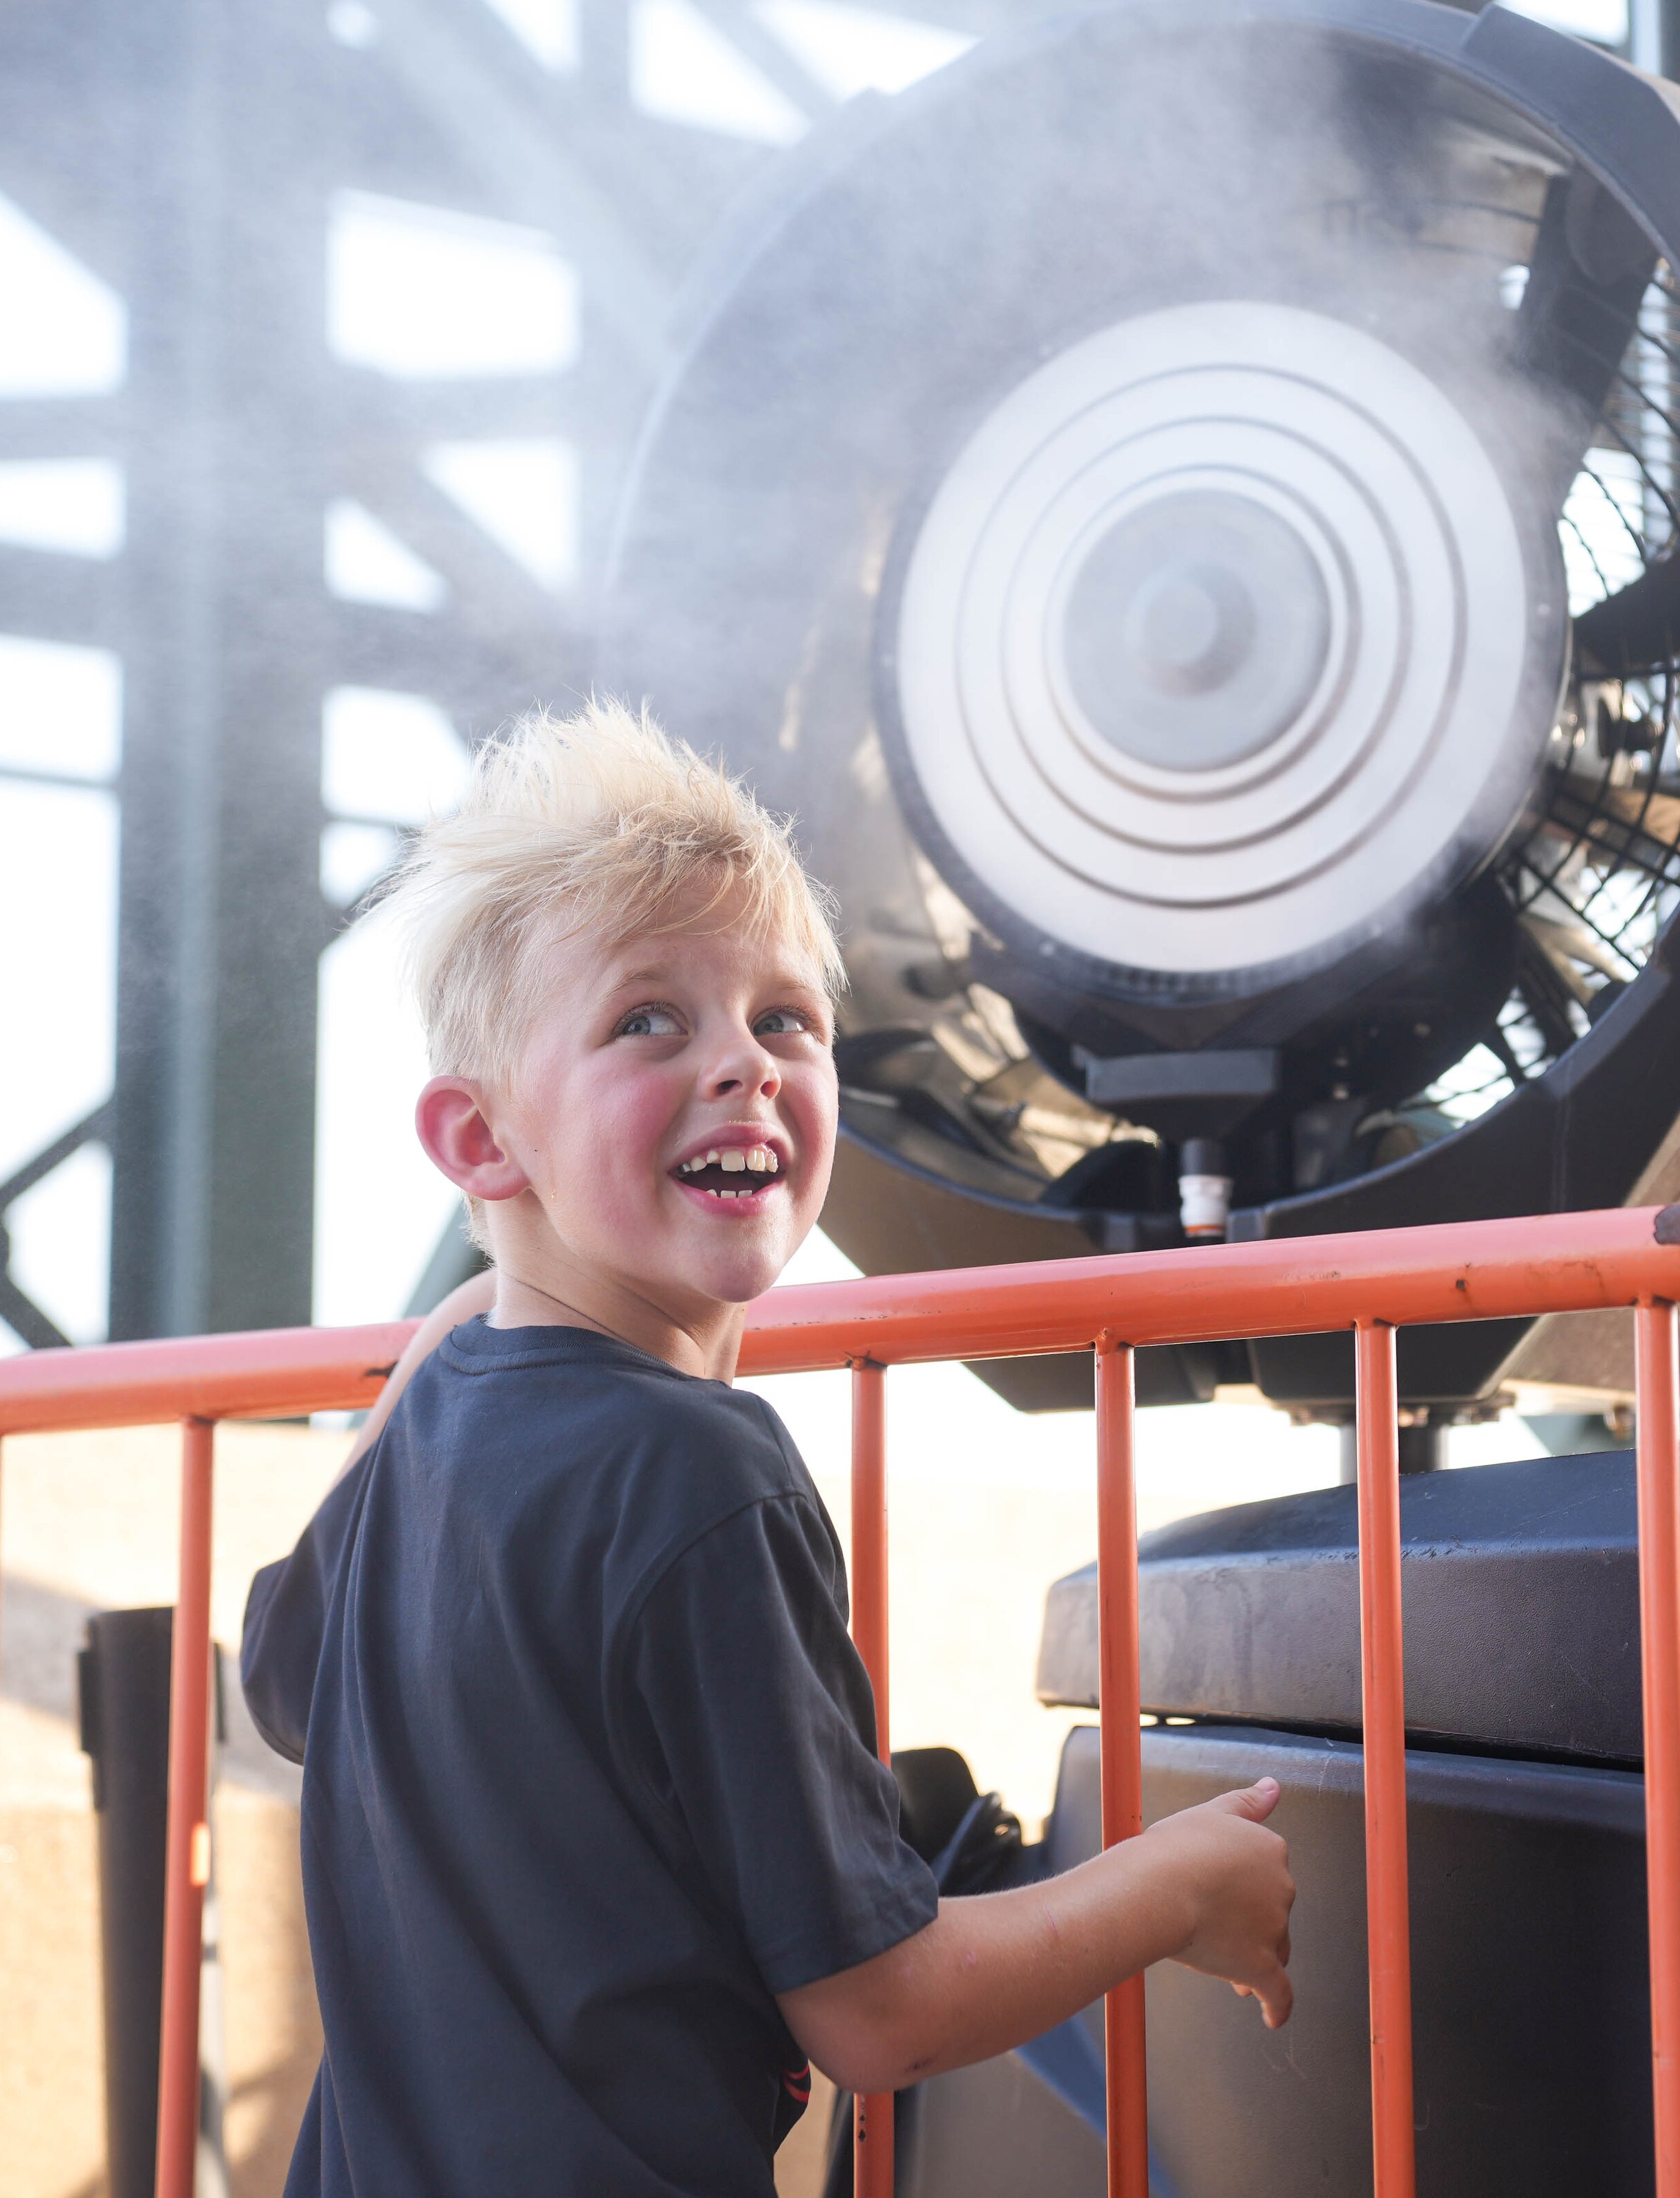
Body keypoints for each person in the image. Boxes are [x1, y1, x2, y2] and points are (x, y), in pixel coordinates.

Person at [240, 699, 1294, 2195]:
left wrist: (441, 1342)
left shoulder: (439, 1439)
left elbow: (277, 1675)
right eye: (645, 1018)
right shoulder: (693, 1471)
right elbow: (881, 2005)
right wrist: (1173, 1884)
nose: (740, 1061)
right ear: (482, 1143)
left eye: (784, 1016)